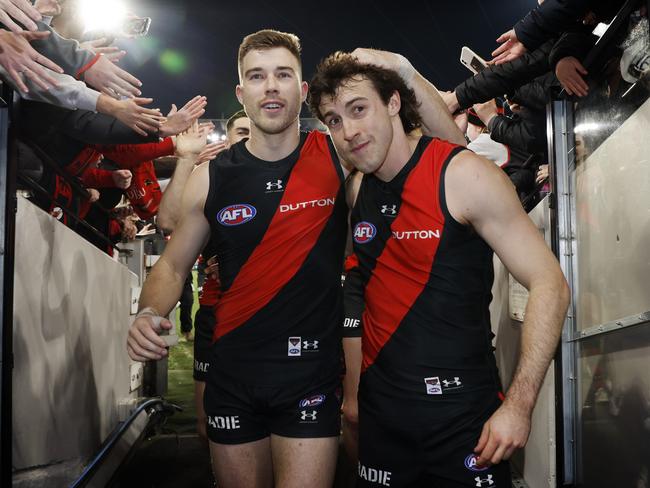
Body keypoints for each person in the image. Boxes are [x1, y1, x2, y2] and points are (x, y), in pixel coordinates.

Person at [127, 29, 463, 488]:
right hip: (233, 376)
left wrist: (404, 71)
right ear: (242, 93)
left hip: (311, 379)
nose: (271, 86)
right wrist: (149, 311)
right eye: (257, 76)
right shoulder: (212, 177)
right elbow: (171, 264)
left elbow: (449, 154)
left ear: (302, 92)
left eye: (283, 75)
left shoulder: (339, 153)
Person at [308, 52, 570, 487]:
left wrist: (519, 406)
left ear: (393, 102)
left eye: (358, 109)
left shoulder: (464, 175)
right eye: (333, 120)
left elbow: (550, 284)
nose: (348, 131)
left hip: (464, 417)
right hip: (383, 419)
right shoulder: (356, 188)